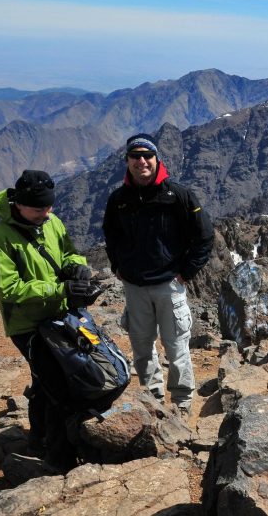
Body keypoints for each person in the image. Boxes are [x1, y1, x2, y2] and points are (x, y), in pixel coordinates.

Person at [0, 170, 100, 472]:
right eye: (38, 209)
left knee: (45, 381)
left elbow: (70, 254)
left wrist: (77, 269)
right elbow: (7, 289)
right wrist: (60, 289)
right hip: (28, 326)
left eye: (48, 207)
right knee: (59, 389)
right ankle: (59, 460)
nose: (46, 214)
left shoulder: (52, 221)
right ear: (18, 204)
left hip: (59, 316)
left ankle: (38, 439)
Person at [102, 133, 213, 417]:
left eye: (147, 155)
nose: (142, 161)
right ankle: (152, 400)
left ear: (156, 159)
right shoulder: (118, 199)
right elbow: (111, 235)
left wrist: (186, 273)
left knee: (177, 348)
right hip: (135, 287)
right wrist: (118, 266)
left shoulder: (178, 195)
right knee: (141, 348)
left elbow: (204, 236)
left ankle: (182, 404)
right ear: (127, 161)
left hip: (169, 286)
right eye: (135, 156)